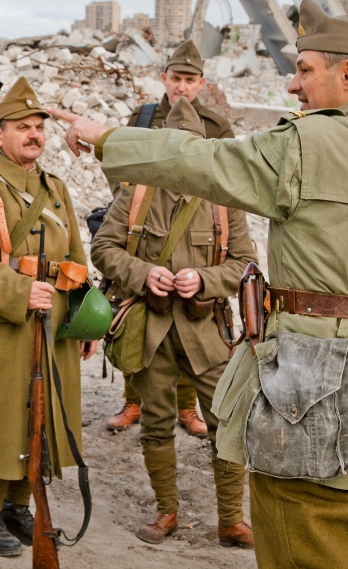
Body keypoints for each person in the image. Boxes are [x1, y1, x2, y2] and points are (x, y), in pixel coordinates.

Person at [49, 0, 348, 569]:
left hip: (309, 396)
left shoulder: (310, 143)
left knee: (303, 545)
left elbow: (201, 162)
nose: (292, 84)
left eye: (305, 70)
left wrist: (107, 139)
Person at [0, 77, 97, 557]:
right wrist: (19, 291)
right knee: (4, 417)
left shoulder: (56, 188)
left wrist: (84, 320)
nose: (34, 135)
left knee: (45, 415)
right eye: (22, 127)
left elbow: (75, 257)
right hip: (3, 322)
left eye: (39, 127)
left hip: (54, 323)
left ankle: (18, 507)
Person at [91, 97, 255, 548]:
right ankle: (166, 512)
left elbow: (245, 263)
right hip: (151, 330)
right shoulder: (137, 191)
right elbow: (103, 248)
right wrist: (144, 274)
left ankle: (231, 520)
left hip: (207, 333)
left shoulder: (224, 200)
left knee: (225, 422)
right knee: (157, 423)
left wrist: (204, 278)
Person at [108, 39, 233, 436]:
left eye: (190, 80)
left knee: (193, 324)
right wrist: (134, 205)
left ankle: (186, 405)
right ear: (164, 78)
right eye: (176, 78)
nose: (182, 87)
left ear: (201, 83)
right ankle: (134, 401)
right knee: (136, 315)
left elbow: (228, 178)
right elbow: (118, 164)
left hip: (197, 223)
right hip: (142, 222)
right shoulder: (143, 117)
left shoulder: (215, 126)